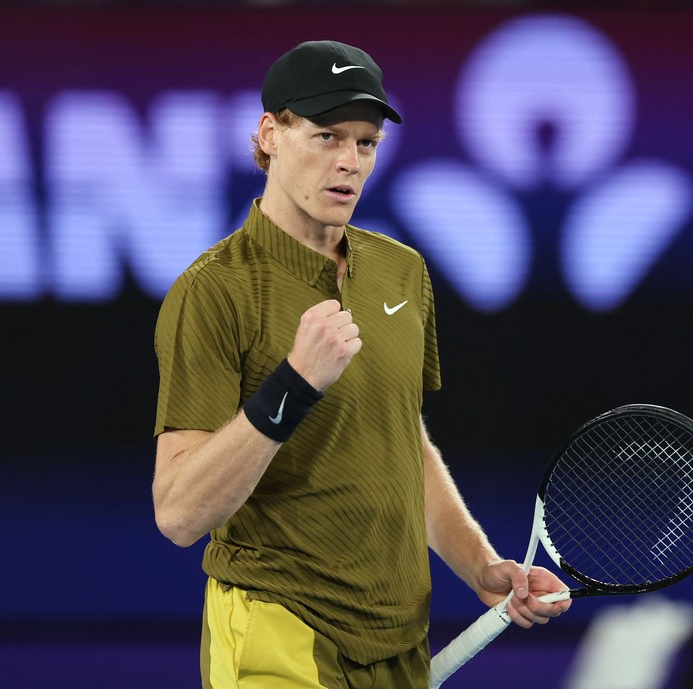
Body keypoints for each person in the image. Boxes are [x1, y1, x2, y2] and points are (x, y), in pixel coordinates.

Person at [152, 40, 570, 689]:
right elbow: (178, 512)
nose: (349, 161)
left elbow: (400, 439)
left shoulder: (403, 270)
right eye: (325, 136)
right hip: (276, 632)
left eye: (366, 142)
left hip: (399, 639)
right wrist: (292, 384)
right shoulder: (213, 290)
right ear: (270, 133)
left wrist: (481, 565)